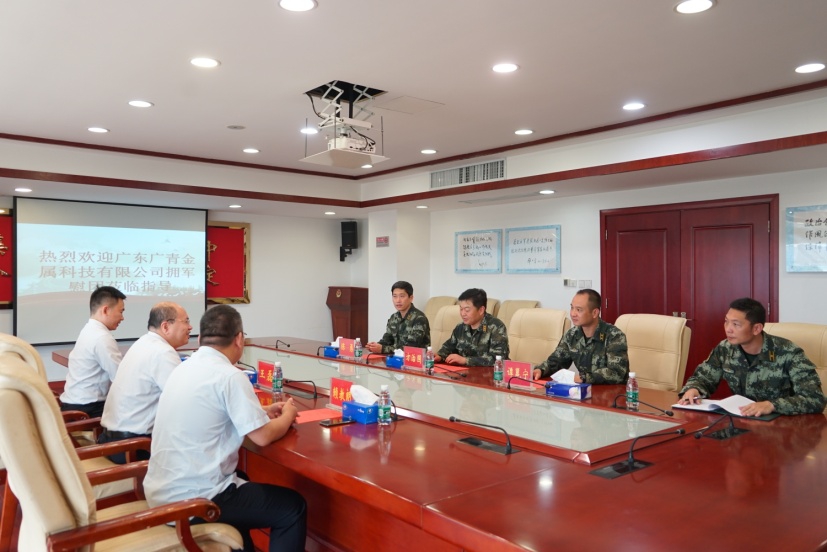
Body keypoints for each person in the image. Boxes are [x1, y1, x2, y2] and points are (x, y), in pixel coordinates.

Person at [144, 305, 306, 552]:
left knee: (243, 480)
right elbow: (262, 436)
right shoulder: (230, 375)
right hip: (196, 500)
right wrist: (288, 415)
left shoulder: (183, 367)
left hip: (162, 492)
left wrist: (261, 411)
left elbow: (210, 409)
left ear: (201, 338)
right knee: (292, 507)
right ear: (239, 339)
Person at [678, 297, 826, 416]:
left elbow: (815, 399)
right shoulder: (725, 348)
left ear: (756, 328)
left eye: (736, 324)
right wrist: (694, 389)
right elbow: (703, 378)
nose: (728, 329)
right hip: (742, 422)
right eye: (726, 322)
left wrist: (772, 405)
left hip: (783, 428)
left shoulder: (789, 353)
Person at [97, 302, 192, 463]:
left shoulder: (143, 342)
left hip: (112, 442)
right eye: (186, 321)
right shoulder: (162, 352)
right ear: (165, 326)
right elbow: (185, 402)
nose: (190, 327)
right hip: (133, 448)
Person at [532, 289, 629, 384]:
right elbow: (556, 361)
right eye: (572, 308)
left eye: (579, 310)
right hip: (584, 390)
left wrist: (583, 378)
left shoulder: (614, 336)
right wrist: (541, 370)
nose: (573, 314)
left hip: (612, 392)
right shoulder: (571, 335)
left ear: (595, 313)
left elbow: (616, 372)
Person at [59, 286, 126, 418]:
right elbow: (120, 377)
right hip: (88, 409)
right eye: (121, 312)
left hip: (72, 403)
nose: (122, 318)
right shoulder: (102, 337)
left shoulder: (89, 329)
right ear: (105, 310)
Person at [435, 288, 508, 366]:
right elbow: (449, 347)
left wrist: (465, 360)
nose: (463, 314)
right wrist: (440, 356)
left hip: (487, 373)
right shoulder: (460, 327)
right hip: (462, 372)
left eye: (467, 310)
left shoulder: (496, 327)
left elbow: (498, 359)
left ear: (481, 310)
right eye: (461, 309)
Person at [366, 281, 430, 354]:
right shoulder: (394, 317)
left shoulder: (419, 318)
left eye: (402, 296)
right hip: (396, 358)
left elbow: (410, 347)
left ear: (411, 298)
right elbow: (387, 340)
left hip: (415, 359)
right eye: (395, 296)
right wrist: (375, 346)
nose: (398, 300)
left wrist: (383, 349)